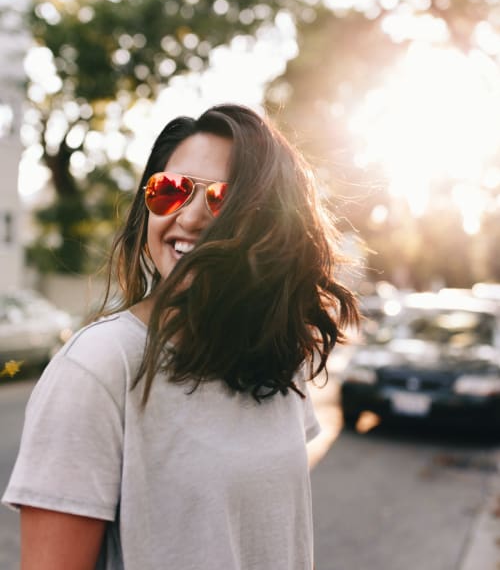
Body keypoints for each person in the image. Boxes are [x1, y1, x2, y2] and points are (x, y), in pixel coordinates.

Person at [3, 103, 359, 569]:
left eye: (222, 199)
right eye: (170, 191)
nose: (189, 219)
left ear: (271, 223)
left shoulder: (276, 357)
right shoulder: (98, 367)